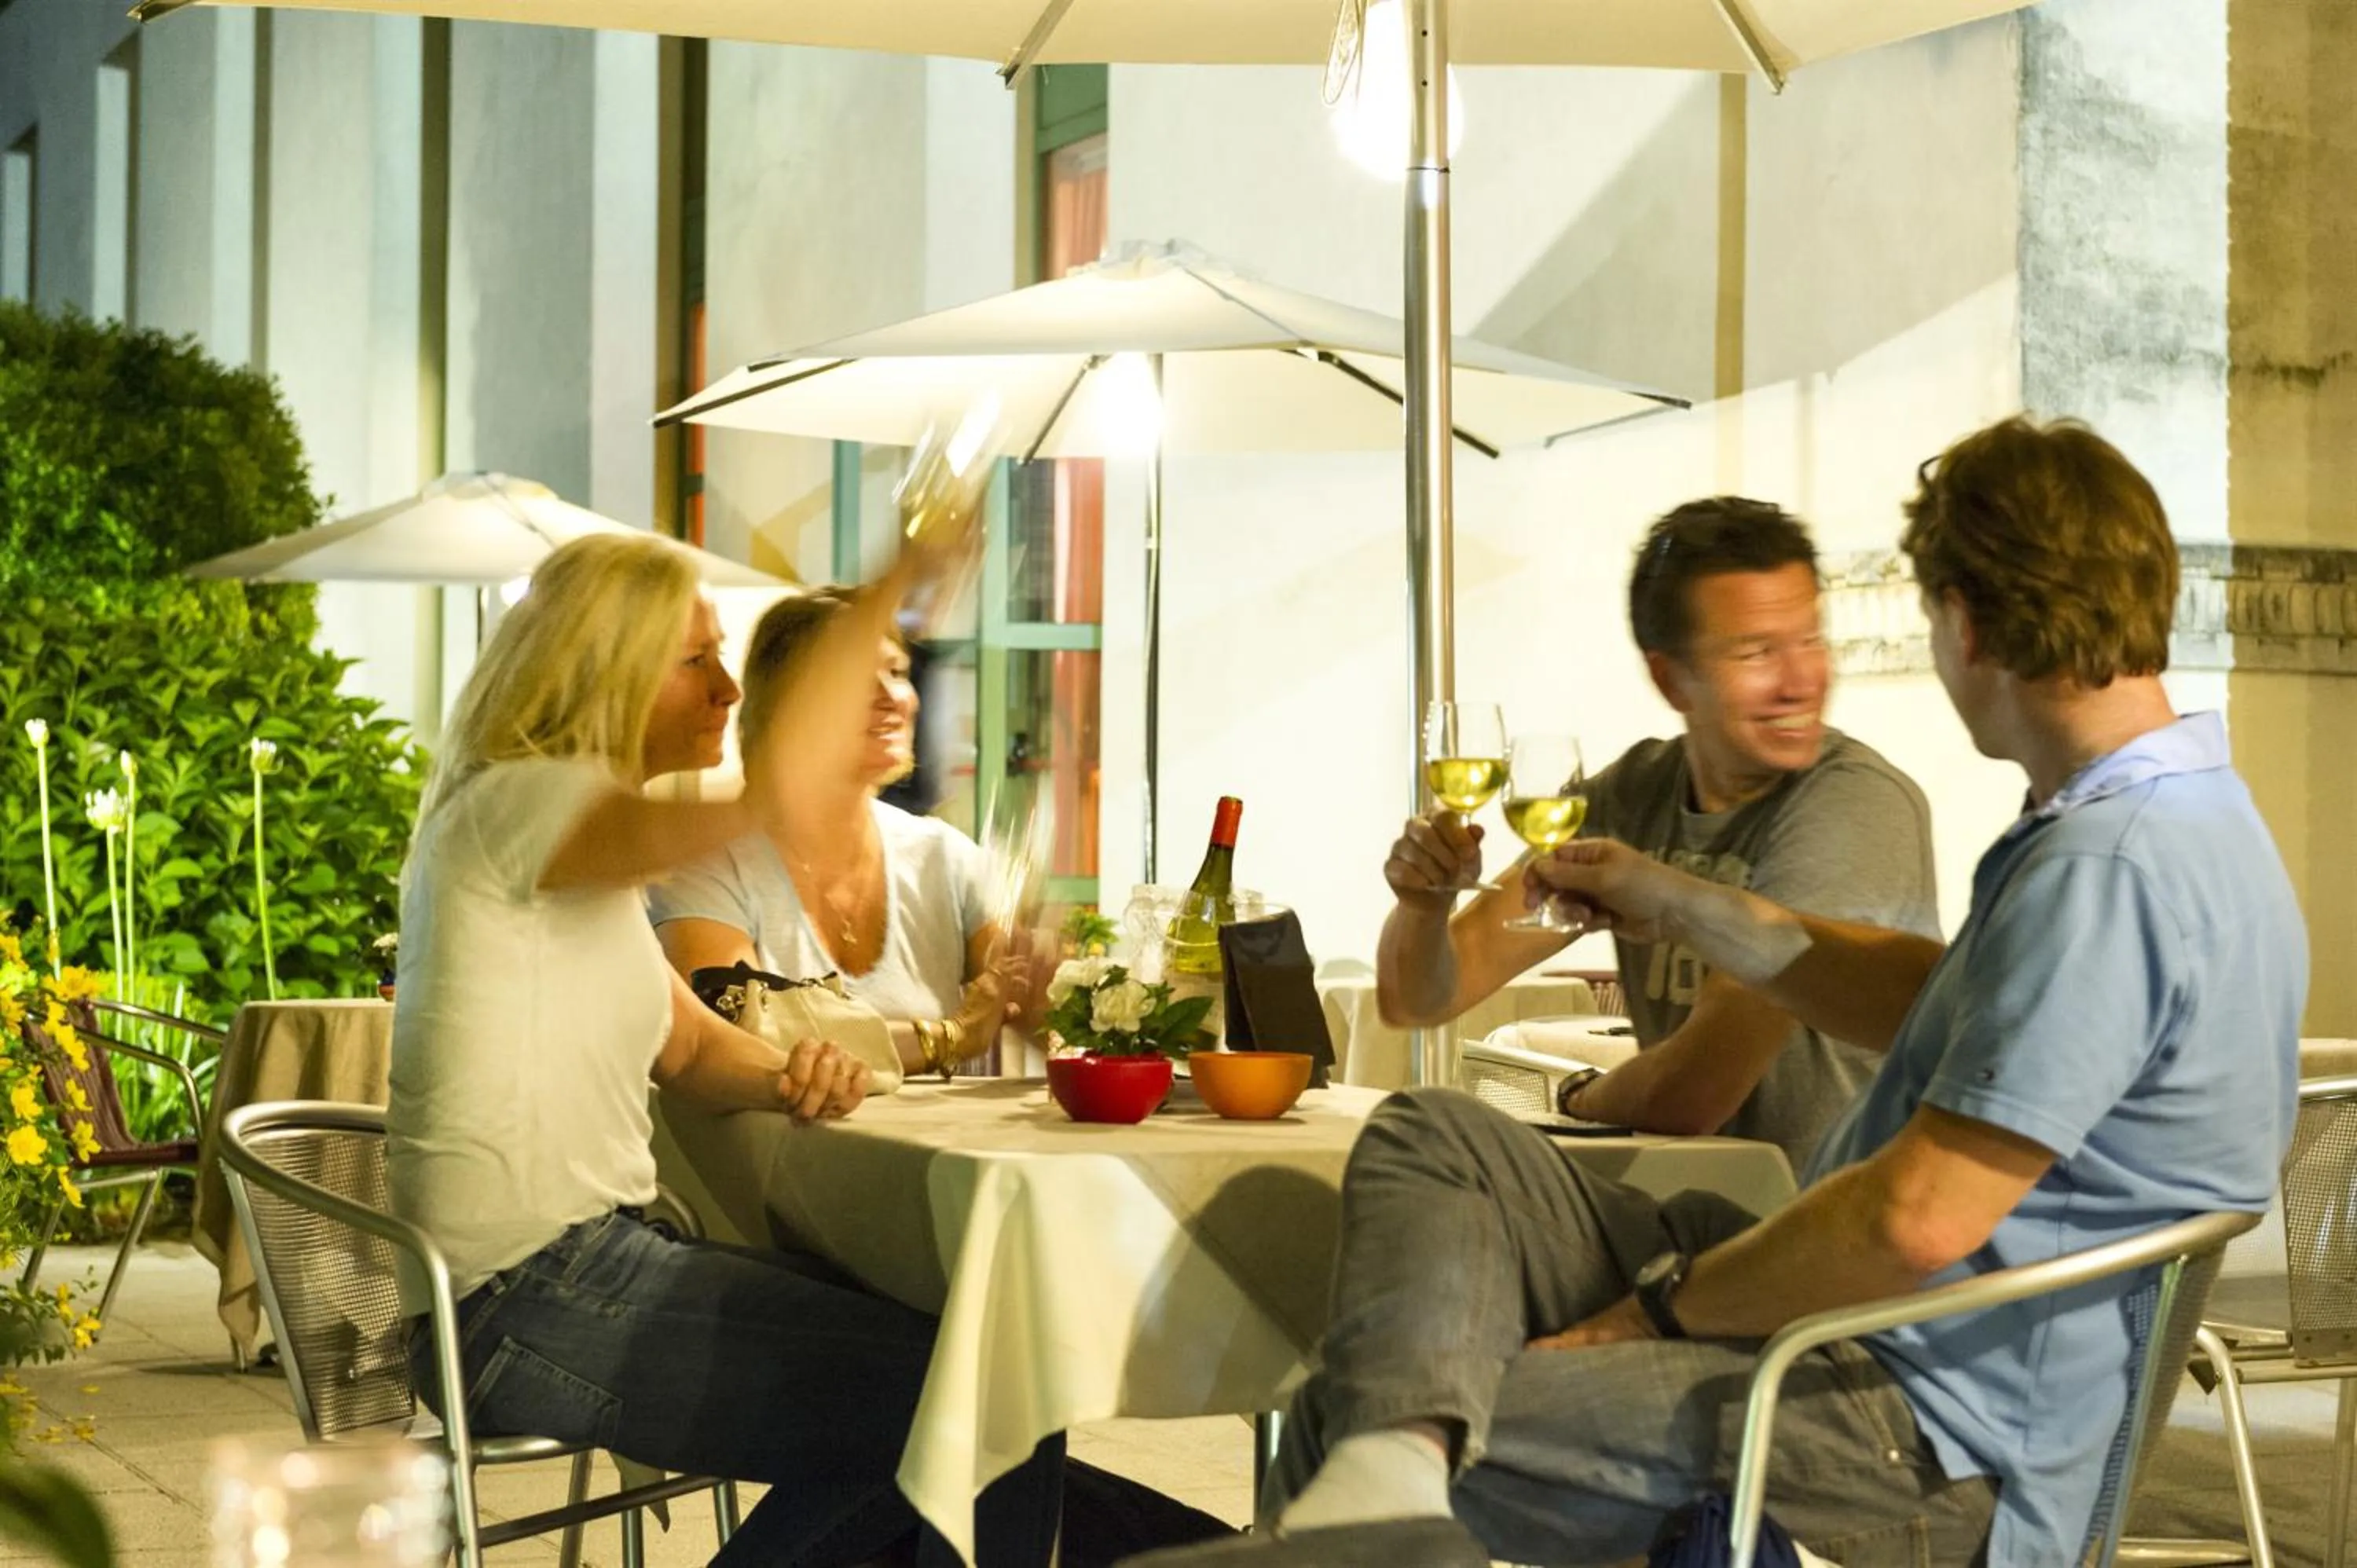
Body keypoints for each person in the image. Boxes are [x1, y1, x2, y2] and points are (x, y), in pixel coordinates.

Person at [1140, 417, 2308, 1568]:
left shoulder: (2109, 869)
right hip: (1878, 1332)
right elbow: (1927, 999)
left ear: (1962, 621)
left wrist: (1656, 1311)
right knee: (1439, 1142)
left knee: (1366, 1415)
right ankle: (1380, 1498)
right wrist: (1689, 905)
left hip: (1924, 1424)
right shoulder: (2157, 820)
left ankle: (1375, 1496)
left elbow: (1915, 1221)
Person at [389, 532, 1067, 1566]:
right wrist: (895, 584)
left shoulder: (569, 842)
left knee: (965, 1374)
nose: (727, 689)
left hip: (578, 1266)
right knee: (992, 1403)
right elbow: (760, 805)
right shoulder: (526, 801)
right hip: (525, 1296)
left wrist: (818, 1070)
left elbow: (692, 1051)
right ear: (606, 670)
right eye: (697, 659)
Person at [1377, 497, 1937, 1168]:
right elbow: (1418, 997)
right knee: (1411, 1139)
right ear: (1671, 678)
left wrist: (1575, 1097)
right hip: (1694, 1202)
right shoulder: (1634, 793)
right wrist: (1423, 905)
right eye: (1757, 652)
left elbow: (1697, 1091)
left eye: (1811, 640)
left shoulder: (1854, 806)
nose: (1801, 681)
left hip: (1825, 1228)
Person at [651, 588, 1031, 1079]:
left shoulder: (945, 856)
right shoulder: (707, 864)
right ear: (788, 704)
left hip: (941, 1154)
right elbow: (743, 1032)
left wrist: (1067, 993)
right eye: (853, 676)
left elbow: (1027, 1001)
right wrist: (949, 1037)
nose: (891, 697)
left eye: (896, 672)